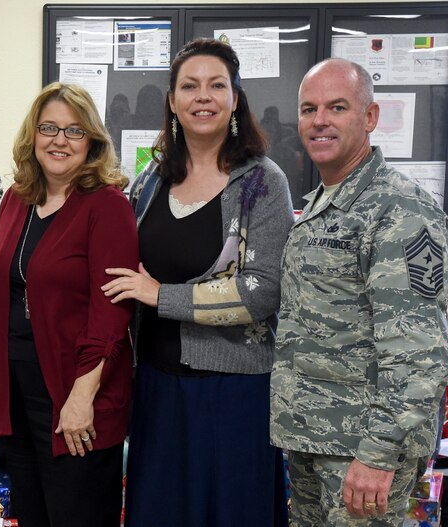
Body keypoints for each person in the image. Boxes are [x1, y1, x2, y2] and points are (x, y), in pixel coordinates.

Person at [0, 82, 138, 527]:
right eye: (49, 127)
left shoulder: (107, 207)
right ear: (33, 135)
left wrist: (80, 398)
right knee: (33, 515)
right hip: (16, 393)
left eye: (74, 131)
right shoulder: (17, 199)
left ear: (91, 140)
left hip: (74, 397)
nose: (59, 140)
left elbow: (110, 316)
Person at [103, 38, 293, 526]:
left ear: (235, 98)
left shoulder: (263, 182)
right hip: (158, 390)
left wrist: (160, 295)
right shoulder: (150, 180)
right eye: (189, 86)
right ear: (172, 101)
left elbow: (262, 292)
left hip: (234, 395)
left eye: (216, 85)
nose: (201, 96)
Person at [270, 58, 448, 526]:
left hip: (362, 451)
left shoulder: (401, 210)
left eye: (337, 107)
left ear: (369, 118)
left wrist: (377, 454)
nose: (320, 121)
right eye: (309, 109)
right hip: (313, 437)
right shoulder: (321, 204)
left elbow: (418, 353)